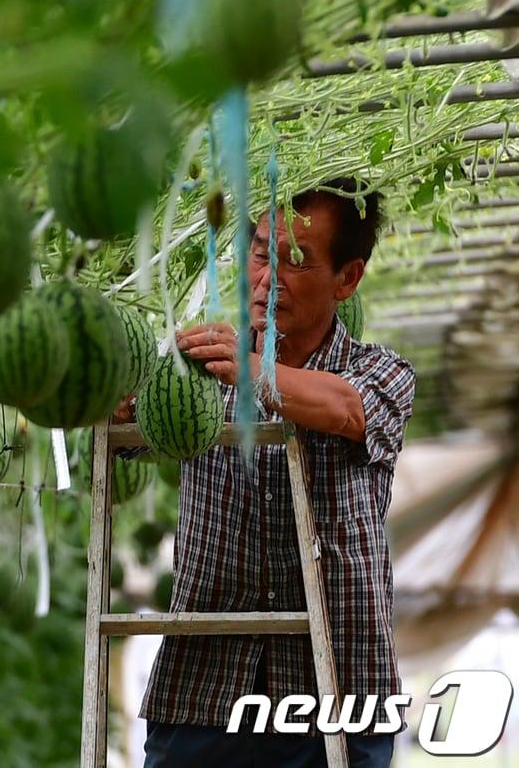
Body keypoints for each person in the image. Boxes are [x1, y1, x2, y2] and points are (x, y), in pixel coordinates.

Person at [126, 177, 416, 768]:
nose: (267, 280)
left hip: (339, 690)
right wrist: (115, 401)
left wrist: (253, 371)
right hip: (204, 689)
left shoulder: (383, 374)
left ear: (348, 278)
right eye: (261, 254)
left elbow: (346, 409)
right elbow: (125, 431)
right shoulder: (199, 373)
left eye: (297, 262)